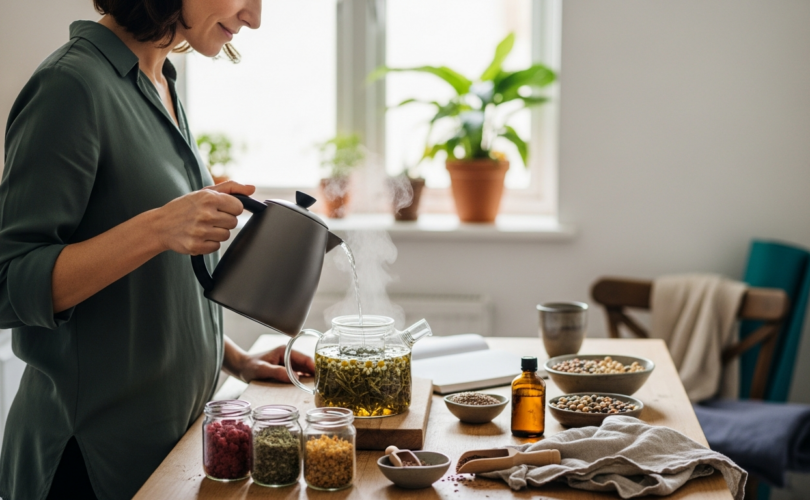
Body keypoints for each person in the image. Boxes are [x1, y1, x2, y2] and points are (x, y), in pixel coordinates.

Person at [0, 1, 314, 498]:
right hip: (90, 463)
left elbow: (141, 286)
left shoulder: (159, 79)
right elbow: (8, 283)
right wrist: (159, 228)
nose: (254, 17)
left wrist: (232, 358)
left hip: (169, 452)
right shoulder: (71, 85)